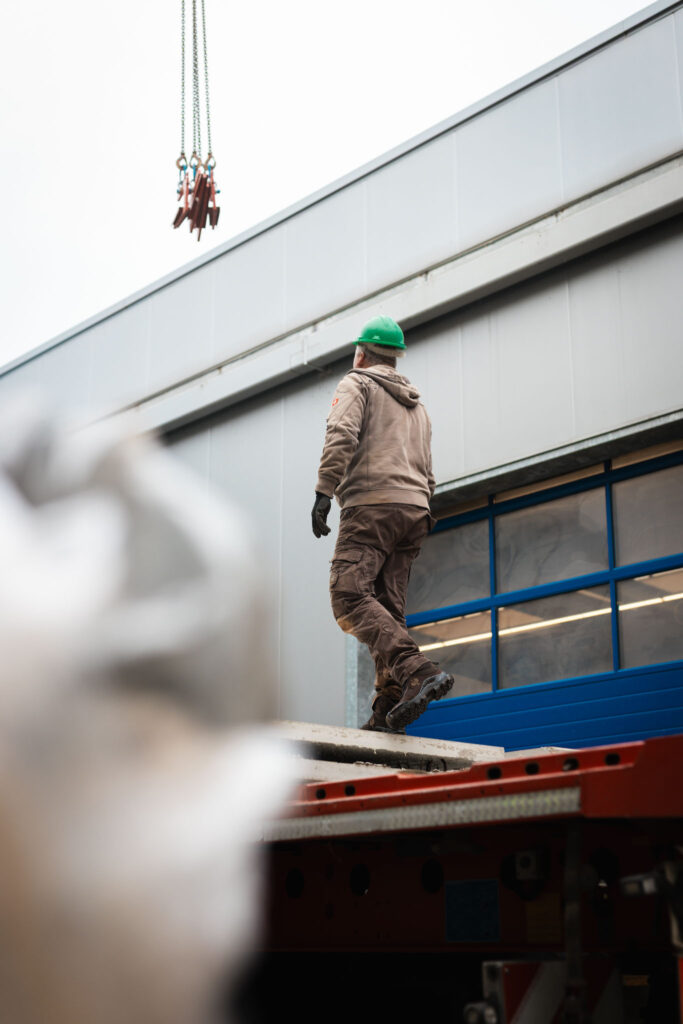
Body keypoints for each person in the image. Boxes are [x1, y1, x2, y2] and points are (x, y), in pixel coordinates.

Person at [311, 315, 453, 733]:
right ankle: (388, 706)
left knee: (348, 594)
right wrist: (417, 503)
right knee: (388, 609)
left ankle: (416, 670)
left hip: (371, 506)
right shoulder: (418, 406)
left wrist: (324, 490)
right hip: (415, 510)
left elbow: (341, 433)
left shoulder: (356, 383)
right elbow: (428, 472)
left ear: (361, 353)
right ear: (395, 358)